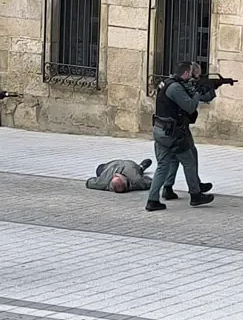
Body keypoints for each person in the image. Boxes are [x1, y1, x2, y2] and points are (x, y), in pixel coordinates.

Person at [145, 62, 215, 211]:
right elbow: (189, 106)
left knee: (163, 165)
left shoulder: (167, 83)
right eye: (190, 73)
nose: (191, 76)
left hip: (161, 130)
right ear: (185, 73)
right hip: (171, 133)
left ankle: (152, 200)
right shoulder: (175, 88)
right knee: (189, 161)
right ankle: (195, 195)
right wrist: (197, 93)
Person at [162, 62, 214, 200]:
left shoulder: (172, 83)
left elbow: (204, 97)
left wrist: (211, 89)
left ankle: (168, 187)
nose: (196, 77)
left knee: (175, 158)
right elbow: (191, 104)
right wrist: (201, 91)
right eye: (195, 74)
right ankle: (195, 192)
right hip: (177, 128)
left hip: (174, 126)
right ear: (187, 73)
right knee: (189, 158)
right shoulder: (178, 86)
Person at [87, 159, 154, 193]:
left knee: (100, 168)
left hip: (110, 165)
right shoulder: (136, 181)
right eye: (118, 176)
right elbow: (150, 182)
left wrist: (101, 179)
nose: (116, 174)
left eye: (115, 176)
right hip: (131, 165)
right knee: (138, 171)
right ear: (125, 180)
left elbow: (89, 182)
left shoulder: (104, 182)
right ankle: (141, 167)